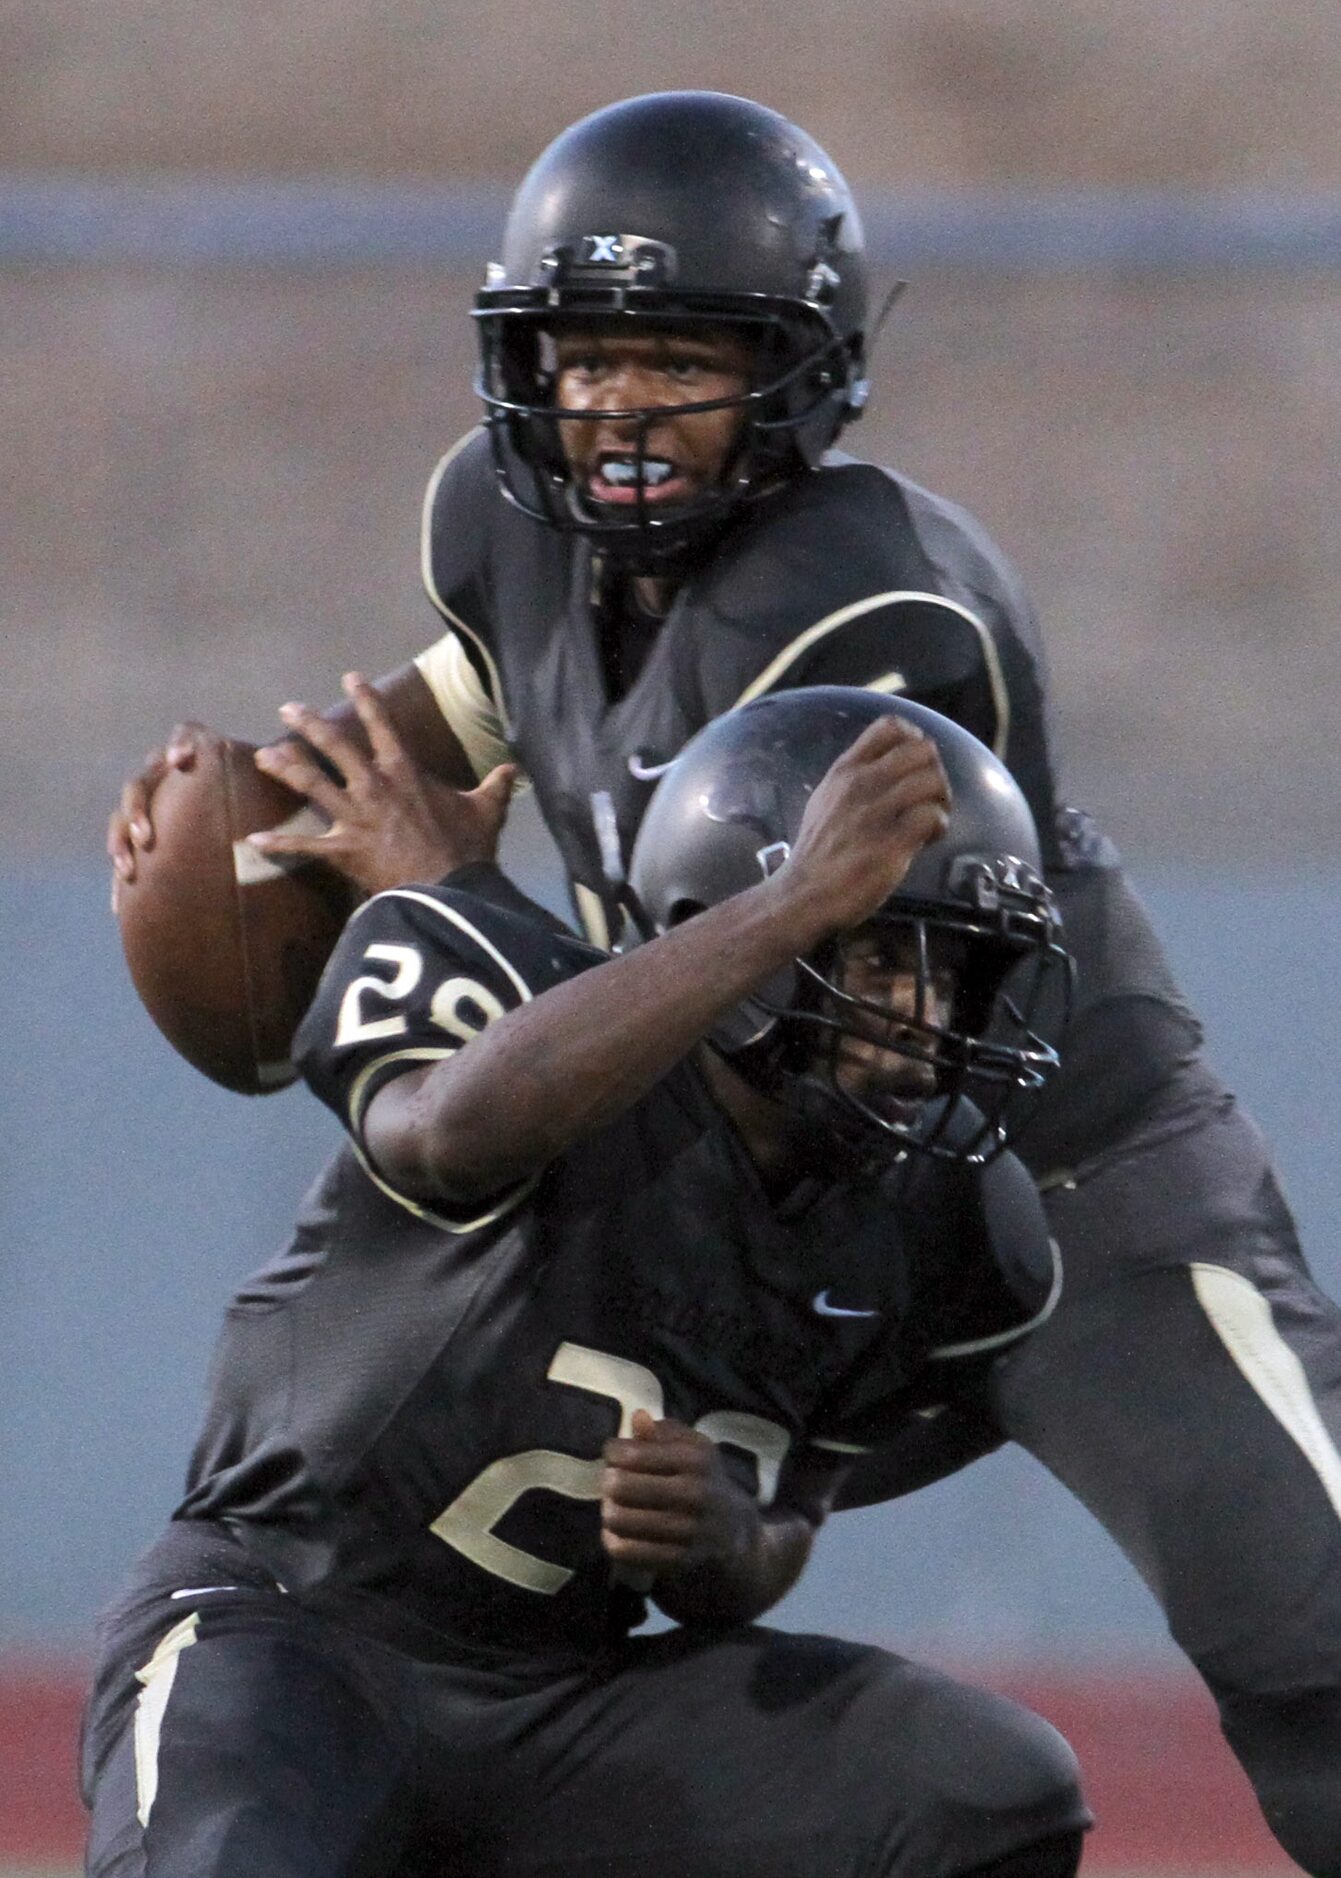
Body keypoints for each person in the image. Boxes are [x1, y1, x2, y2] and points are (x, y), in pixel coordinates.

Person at [107, 91, 1341, 1874]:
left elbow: (788, 935)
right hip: (779, 1186)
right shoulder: (508, 529)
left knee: (1310, 1637)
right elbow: (453, 727)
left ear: (803, 368)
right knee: (779, 1640)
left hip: (1054, 1179)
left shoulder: (861, 599)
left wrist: (450, 902)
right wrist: (238, 838)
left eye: (680, 360)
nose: (619, 410)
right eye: (585, 358)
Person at [83, 686, 1089, 1878]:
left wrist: (722, 1538)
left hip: (558, 1704)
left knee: (984, 1794)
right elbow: (448, 1130)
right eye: (880, 952)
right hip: (292, 1636)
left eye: (952, 974)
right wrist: (799, 901)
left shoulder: (942, 1221)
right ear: (740, 911)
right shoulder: (515, 994)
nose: (920, 1019)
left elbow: (782, 1529)